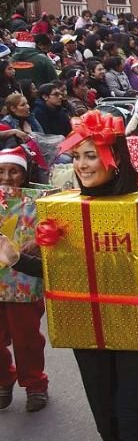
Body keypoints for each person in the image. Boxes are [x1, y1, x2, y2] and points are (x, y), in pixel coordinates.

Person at [1, 110, 138, 441]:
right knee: (106, 423)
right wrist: (16, 260)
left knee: (132, 420)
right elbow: (63, 275)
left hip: (136, 333)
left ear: (114, 159)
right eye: (77, 156)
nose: (81, 165)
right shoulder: (64, 208)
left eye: (91, 155)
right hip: (87, 333)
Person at [0, 147, 49, 413]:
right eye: (1, 171)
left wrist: (39, 240)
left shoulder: (38, 201)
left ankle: (35, 385)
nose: (7, 177)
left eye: (14, 171)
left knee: (26, 338)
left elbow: (56, 228)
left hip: (24, 279)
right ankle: (3, 380)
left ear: (25, 174)